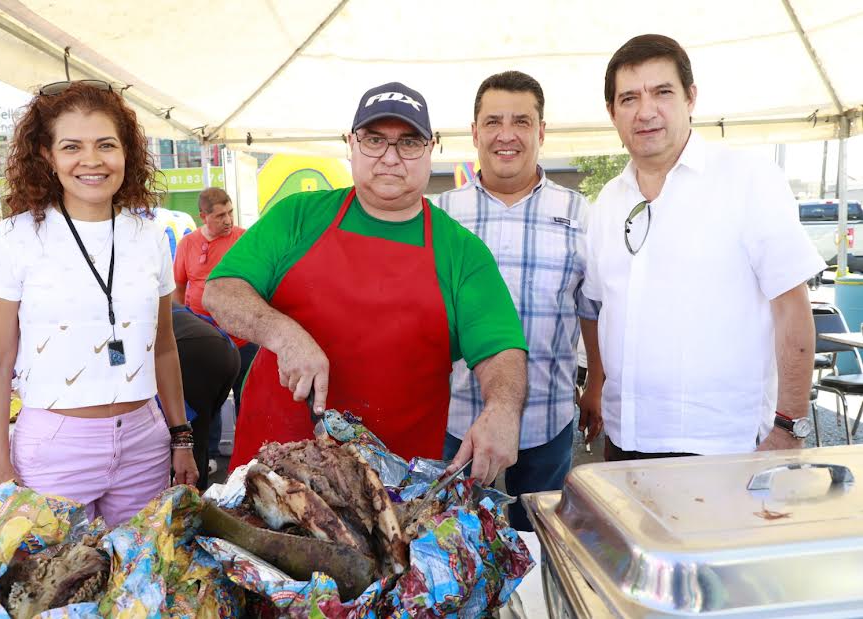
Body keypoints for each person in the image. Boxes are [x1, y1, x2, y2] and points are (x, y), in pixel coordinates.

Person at [204, 82, 528, 485]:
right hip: (272, 471)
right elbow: (220, 290)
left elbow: (501, 349)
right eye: (375, 140)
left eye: (409, 143)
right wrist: (284, 335)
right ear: (350, 144)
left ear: (431, 149)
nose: (390, 158)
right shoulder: (298, 215)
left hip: (390, 488)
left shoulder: (462, 253)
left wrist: (502, 409)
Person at [583, 34, 825, 460]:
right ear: (611, 112)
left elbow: (793, 308)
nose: (646, 111)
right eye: (629, 98)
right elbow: (602, 310)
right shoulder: (607, 203)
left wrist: (789, 426)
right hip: (625, 444)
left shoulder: (747, 179)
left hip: (721, 448)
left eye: (662, 92)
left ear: (690, 97)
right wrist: (596, 388)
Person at [0, 80, 198, 527]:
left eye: (106, 145)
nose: (92, 160)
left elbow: (165, 347)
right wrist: (0, 467)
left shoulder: (150, 234)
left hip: (144, 440)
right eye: (72, 146)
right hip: (56, 447)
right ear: (47, 155)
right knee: (57, 586)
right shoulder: (14, 238)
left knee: (138, 582)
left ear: (126, 153)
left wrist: (181, 437)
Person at [438, 71, 603, 531]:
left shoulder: (579, 213)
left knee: (539, 547)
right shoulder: (442, 215)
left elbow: (590, 309)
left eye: (521, 121)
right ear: (474, 133)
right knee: (457, 551)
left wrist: (596, 386)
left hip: (547, 420)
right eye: (492, 122)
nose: (506, 134)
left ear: (541, 131)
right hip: (458, 421)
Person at [173, 187, 255, 466]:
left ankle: (249, 454)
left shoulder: (243, 238)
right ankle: (209, 455)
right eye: (220, 215)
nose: (228, 220)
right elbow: (179, 287)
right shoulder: (187, 244)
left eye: (230, 212)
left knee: (248, 398)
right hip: (204, 342)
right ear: (203, 216)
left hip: (243, 337)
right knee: (207, 404)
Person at [171, 302, 240, 490]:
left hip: (192, 350)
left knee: (188, 437)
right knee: (199, 433)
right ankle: (196, 495)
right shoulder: (166, 302)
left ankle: (188, 498)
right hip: (228, 352)